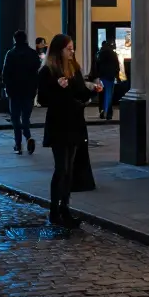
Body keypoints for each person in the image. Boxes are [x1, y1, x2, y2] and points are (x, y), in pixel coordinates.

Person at [36, 34, 100, 228]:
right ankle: (54, 210)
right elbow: (43, 99)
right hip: (59, 123)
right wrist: (57, 87)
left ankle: (65, 207)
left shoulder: (74, 68)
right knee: (61, 168)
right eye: (69, 49)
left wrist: (93, 90)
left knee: (70, 169)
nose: (72, 52)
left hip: (75, 122)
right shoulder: (48, 71)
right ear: (59, 50)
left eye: (73, 48)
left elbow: (80, 91)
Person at [2, 30, 41, 155]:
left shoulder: (11, 54)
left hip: (14, 91)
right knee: (25, 117)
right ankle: (28, 137)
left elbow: (5, 73)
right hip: (29, 90)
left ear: (15, 39)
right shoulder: (33, 54)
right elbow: (37, 72)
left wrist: (6, 87)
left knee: (15, 118)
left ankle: (18, 144)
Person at [93, 41, 121, 120]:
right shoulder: (113, 54)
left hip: (102, 77)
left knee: (102, 95)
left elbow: (96, 66)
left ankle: (102, 111)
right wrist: (117, 76)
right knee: (109, 95)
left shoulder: (99, 54)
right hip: (110, 77)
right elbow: (117, 66)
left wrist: (96, 76)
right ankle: (108, 113)